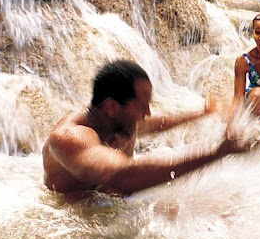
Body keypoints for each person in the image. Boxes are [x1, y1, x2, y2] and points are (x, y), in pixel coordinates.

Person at [43, 59, 243, 196]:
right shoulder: (69, 137)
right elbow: (120, 175)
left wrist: (201, 113)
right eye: (142, 105)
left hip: (105, 208)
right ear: (112, 107)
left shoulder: (120, 121)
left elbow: (158, 123)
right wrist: (217, 153)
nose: (147, 112)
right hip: (66, 222)